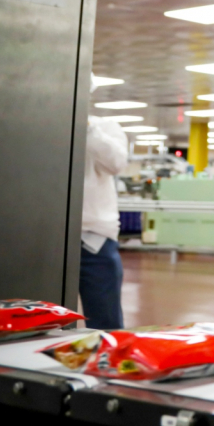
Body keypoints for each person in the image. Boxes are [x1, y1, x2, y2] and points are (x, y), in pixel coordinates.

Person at [80, 110, 129, 329]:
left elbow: (116, 163)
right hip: (46, 235)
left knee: (104, 322)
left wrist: (87, 126)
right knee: (43, 319)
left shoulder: (105, 127)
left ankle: (106, 362)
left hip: (94, 241)